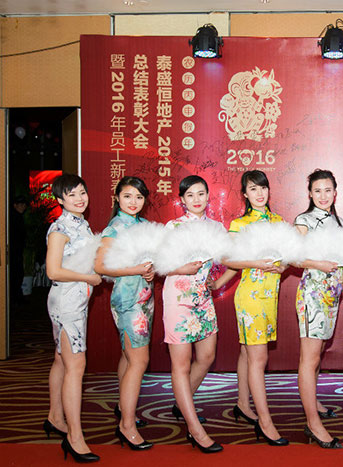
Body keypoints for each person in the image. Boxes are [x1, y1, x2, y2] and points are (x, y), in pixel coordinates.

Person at [221, 170, 288, 446]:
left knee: (247, 352)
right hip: (250, 296)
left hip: (270, 296)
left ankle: (242, 403)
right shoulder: (240, 224)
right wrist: (255, 263)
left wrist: (283, 266)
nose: (259, 193)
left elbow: (287, 257)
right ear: (245, 195)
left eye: (263, 188)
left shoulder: (278, 221)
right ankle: (265, 421)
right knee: (259, 358)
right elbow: (229, 259)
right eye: (253, 189)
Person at [162, 175, 223, 453]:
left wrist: (216, 282)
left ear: (208, 196)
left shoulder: (216, 228)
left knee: (207, 356)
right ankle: (195, 428)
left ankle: (181, 403)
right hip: (178, 297)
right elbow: (159, 265)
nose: (196, 199)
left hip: (203, 298)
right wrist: (180, 268)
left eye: (200, 194)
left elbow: (230, 258)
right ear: (182, 200)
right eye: (190, 195)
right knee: (181, 364)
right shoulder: (173, 227)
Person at [94, 176, 154, 450]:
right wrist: (136, 270)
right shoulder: (114, 228)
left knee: (128, 357)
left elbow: (148, 264)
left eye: (139, 197)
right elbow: (100, 267)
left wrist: (149, 272)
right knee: (140, 361)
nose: (133, 202)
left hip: (145, 300)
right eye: (128, 196)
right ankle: (126, 426)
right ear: (117, 198)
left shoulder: (143, 226)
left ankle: (123, 409)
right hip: (128, 302)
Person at [44, 174, 102, 462]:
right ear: (60, 200)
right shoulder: (60, 229)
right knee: (76, 366)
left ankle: (55, 417)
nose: (80, 198)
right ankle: (74, 438)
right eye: (72, 195)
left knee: (61, 360)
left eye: (82, 192)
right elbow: (53, 271)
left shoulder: (82, 224)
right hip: (67, 303)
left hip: (76, 301)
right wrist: (88, 277)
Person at [294, 169, 343, 449]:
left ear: (335, 193)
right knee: (310, 358)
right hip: (312, 296)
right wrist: (320, 265)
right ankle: (313, 423)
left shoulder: (338, 222)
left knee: (318, 352)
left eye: (328, 190)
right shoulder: (304, 220)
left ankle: (313, 403)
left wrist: (341, 277)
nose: (323, 196)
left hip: (332, 296)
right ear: (310, 194)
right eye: (317, 191)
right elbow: (293, 256)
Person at [9, 195, 28, 308]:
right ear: (15, 205)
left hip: (17, 251)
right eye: (20, 204)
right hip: (12, 251)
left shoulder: (18, 217)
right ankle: (14, 298)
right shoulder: (12, 217)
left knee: (18, 274)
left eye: (24, 205)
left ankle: (16, 296)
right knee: (15, 274)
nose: (23, 206)